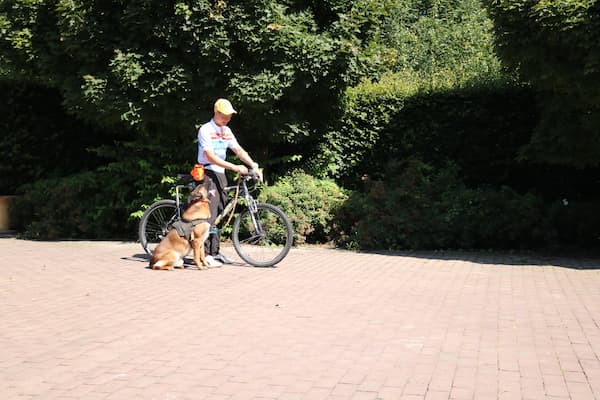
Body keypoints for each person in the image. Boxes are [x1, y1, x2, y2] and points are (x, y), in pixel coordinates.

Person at [196, 98, 259, 267]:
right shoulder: (205, 129)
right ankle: (206, 254)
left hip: (221, 173)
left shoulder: (227, 131)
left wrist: (253, 165)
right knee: (210, 213)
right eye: (224, 115)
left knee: (221, 213)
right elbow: (209, 156)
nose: (227, 119)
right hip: (208, 172)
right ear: (216, 112)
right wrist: (234, 167)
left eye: (230, 116)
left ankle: (215, 252)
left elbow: (238, 150)